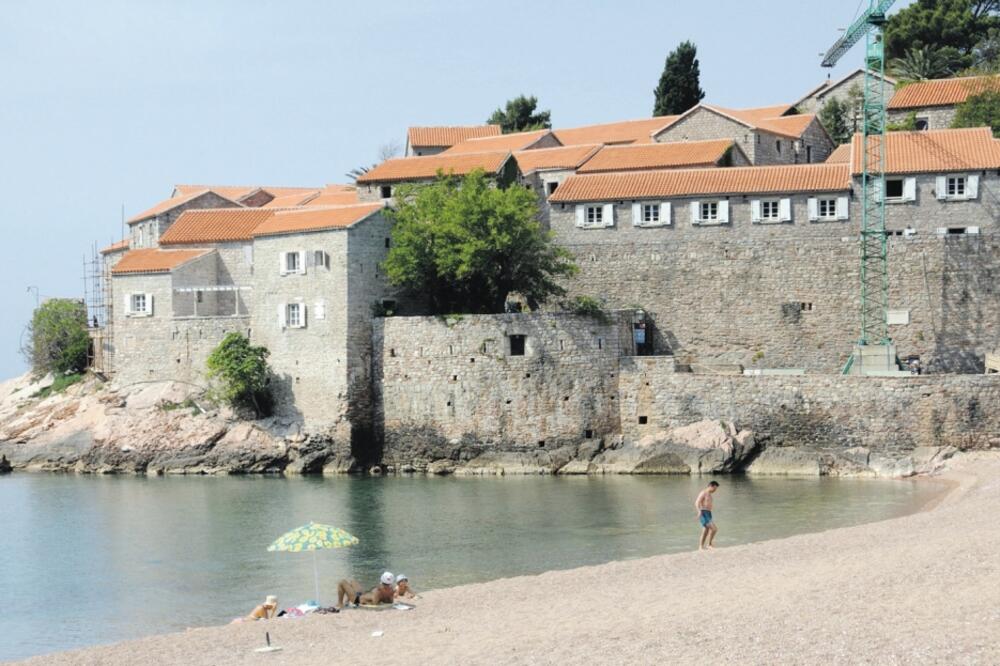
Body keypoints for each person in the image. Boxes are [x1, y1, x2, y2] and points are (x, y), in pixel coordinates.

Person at [695, 480, 720, 550]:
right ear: (710, 486)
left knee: (705, 530)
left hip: (708, 513)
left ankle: (701, 547)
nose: (715, 490)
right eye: (714, 488)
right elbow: (697, 502)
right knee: (714, 529)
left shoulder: (709, 494)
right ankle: (709, 544)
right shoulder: (703, 493)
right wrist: (699, 511)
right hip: (703, 513)